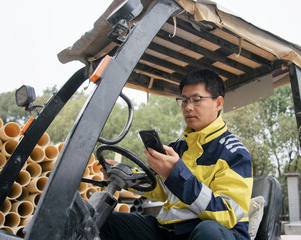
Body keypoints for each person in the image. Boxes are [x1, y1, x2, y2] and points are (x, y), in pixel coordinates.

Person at [100, 69, 253, 240]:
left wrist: (177, 176)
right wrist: (127, 176)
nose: (188, 107)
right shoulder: (178, 146)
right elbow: (161, 189)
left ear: (218, 103)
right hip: (173, 230)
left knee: (208, 232)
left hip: (218, 232)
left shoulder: (234, 153)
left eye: (196, 100)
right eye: (184, 100)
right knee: (105, 221)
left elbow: (227, 213)